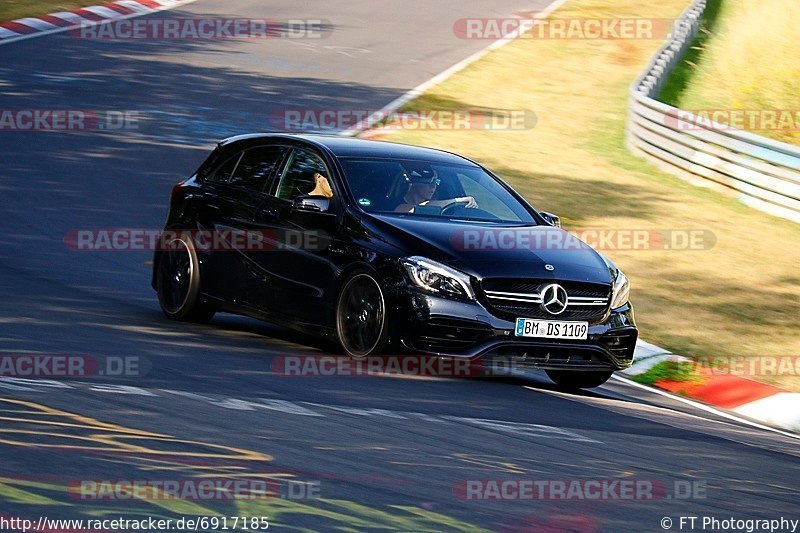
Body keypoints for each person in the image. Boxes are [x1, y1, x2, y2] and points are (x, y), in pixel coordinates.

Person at [393, 167, 477, 213]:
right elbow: (420, 207)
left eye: (436, 181)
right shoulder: (397, 205)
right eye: (430, 181)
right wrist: (459, 200)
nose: (433, 186)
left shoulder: (444, 210)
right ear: (415, 182)